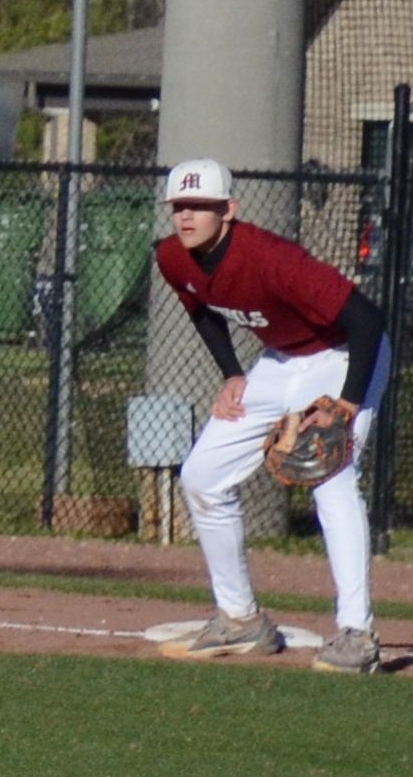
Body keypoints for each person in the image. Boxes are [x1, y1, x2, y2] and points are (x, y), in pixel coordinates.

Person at [151, 157, 393, 674]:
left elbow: (367, 321)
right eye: (179, 206)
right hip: (281, 362)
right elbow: (200, 308)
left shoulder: (272, 259)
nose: (187, 215)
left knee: (331, 479)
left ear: (229, 210)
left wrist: (347, 404)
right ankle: (241, 619)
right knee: (202, 476)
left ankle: (357, 634)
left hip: (343, 355)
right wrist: (232, 373)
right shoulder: (173, 257)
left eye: (201, 206)